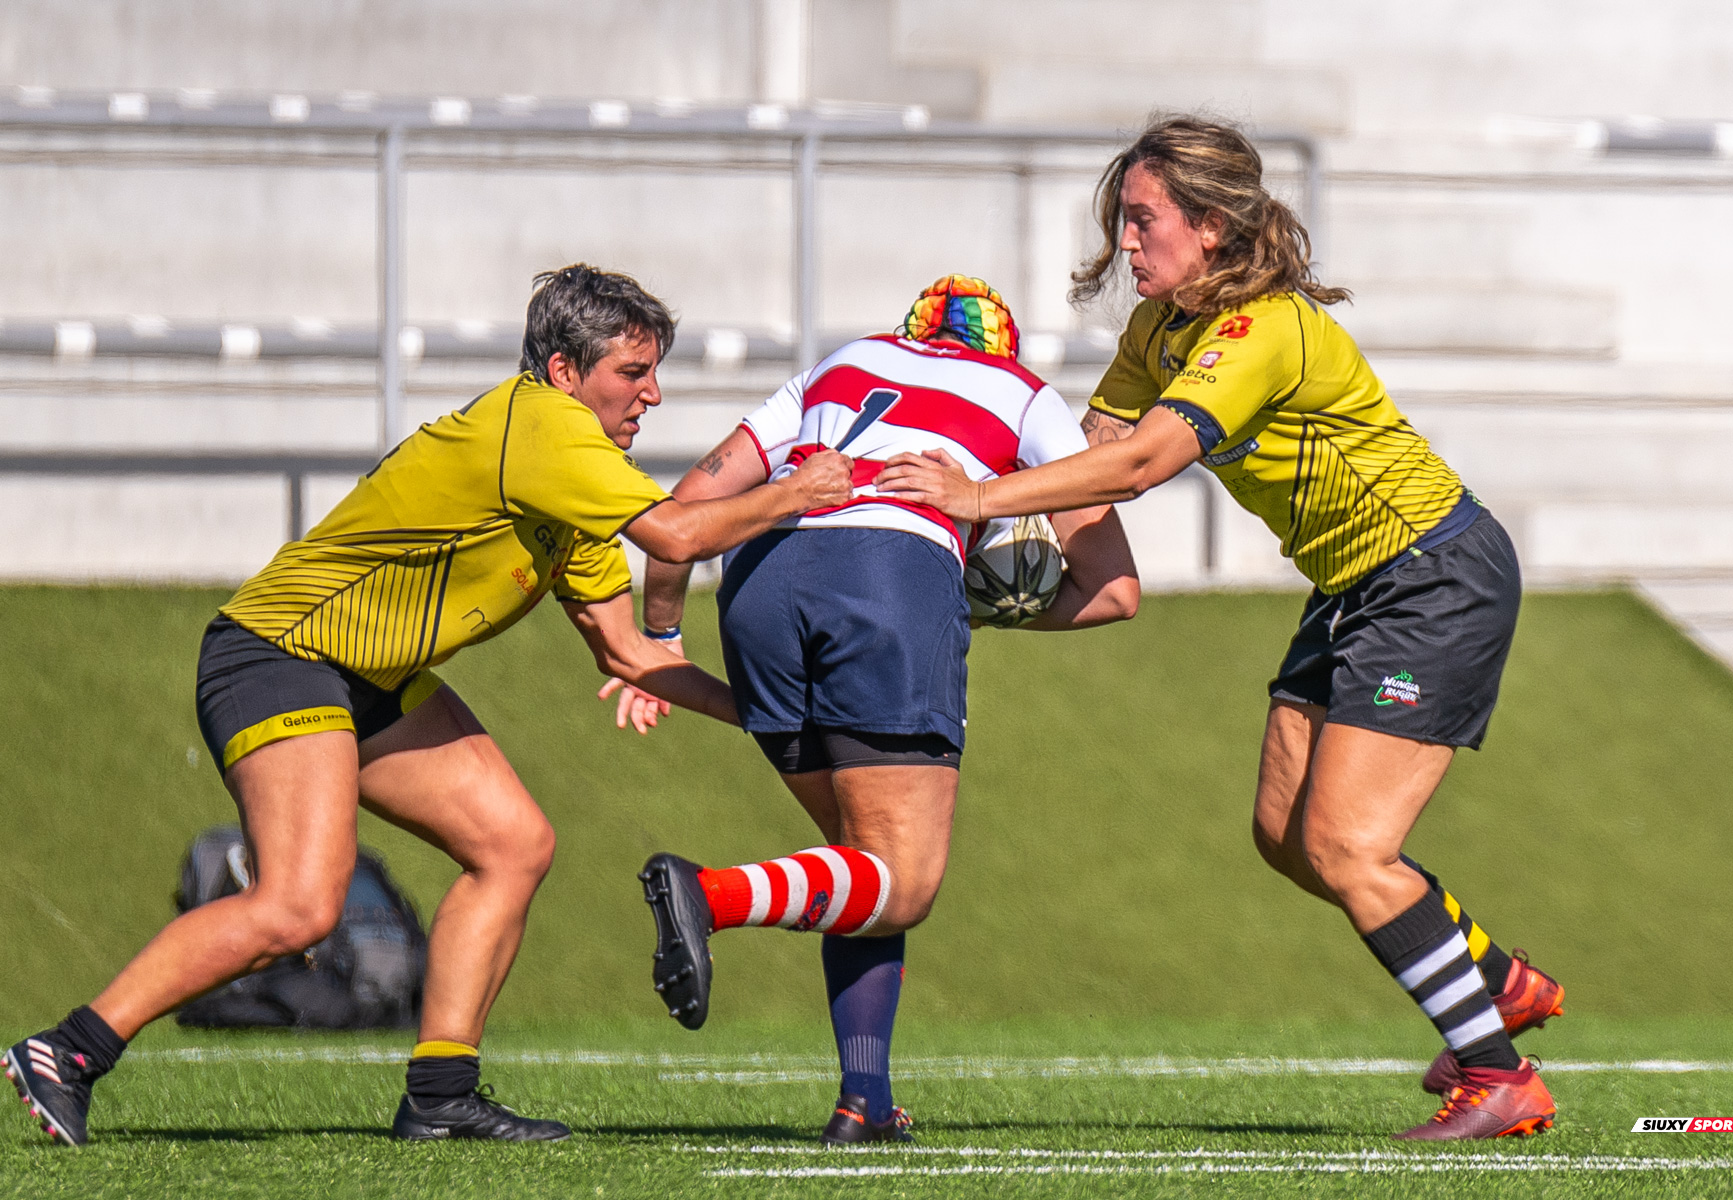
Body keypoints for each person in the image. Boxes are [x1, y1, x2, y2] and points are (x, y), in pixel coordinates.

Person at [3, 265, 852, 1147]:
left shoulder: (583, 471)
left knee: (513, 845)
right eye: (632, 373)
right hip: (280, 652)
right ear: (565, 371)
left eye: (653, 372)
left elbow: (625, 650)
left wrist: (764, 712)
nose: (654, 393)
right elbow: (679, 533)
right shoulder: (543, 425)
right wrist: (795, 492)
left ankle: (441, 1095)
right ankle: (68, 1050)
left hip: (370, 678)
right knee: (299, 905)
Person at [876, 120, 1565, 1141]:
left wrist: (980, 502)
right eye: (1121, 219)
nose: (1127, 240)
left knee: (1345, 843)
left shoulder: (1262, 331)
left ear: (1210, 225)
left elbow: (1142, 462)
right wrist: (957, 459)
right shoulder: (1159, 331)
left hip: (1433, 574)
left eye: (1145, 218)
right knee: (1289, 836)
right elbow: (1094, 439)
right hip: (1355, 585)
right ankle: (1496, 980)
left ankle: (1498, 1077)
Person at [622, 275, 1139, 1145]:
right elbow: (1115, 591)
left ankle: (863, 1101)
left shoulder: (840, 365)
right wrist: (973, 602)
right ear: (998, 346)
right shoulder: (1018, 392)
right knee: (905, 878)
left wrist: (661, 641)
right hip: (890, 580)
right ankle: (708, 896)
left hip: (757, 588)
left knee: (863, 869)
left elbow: (688, 506)